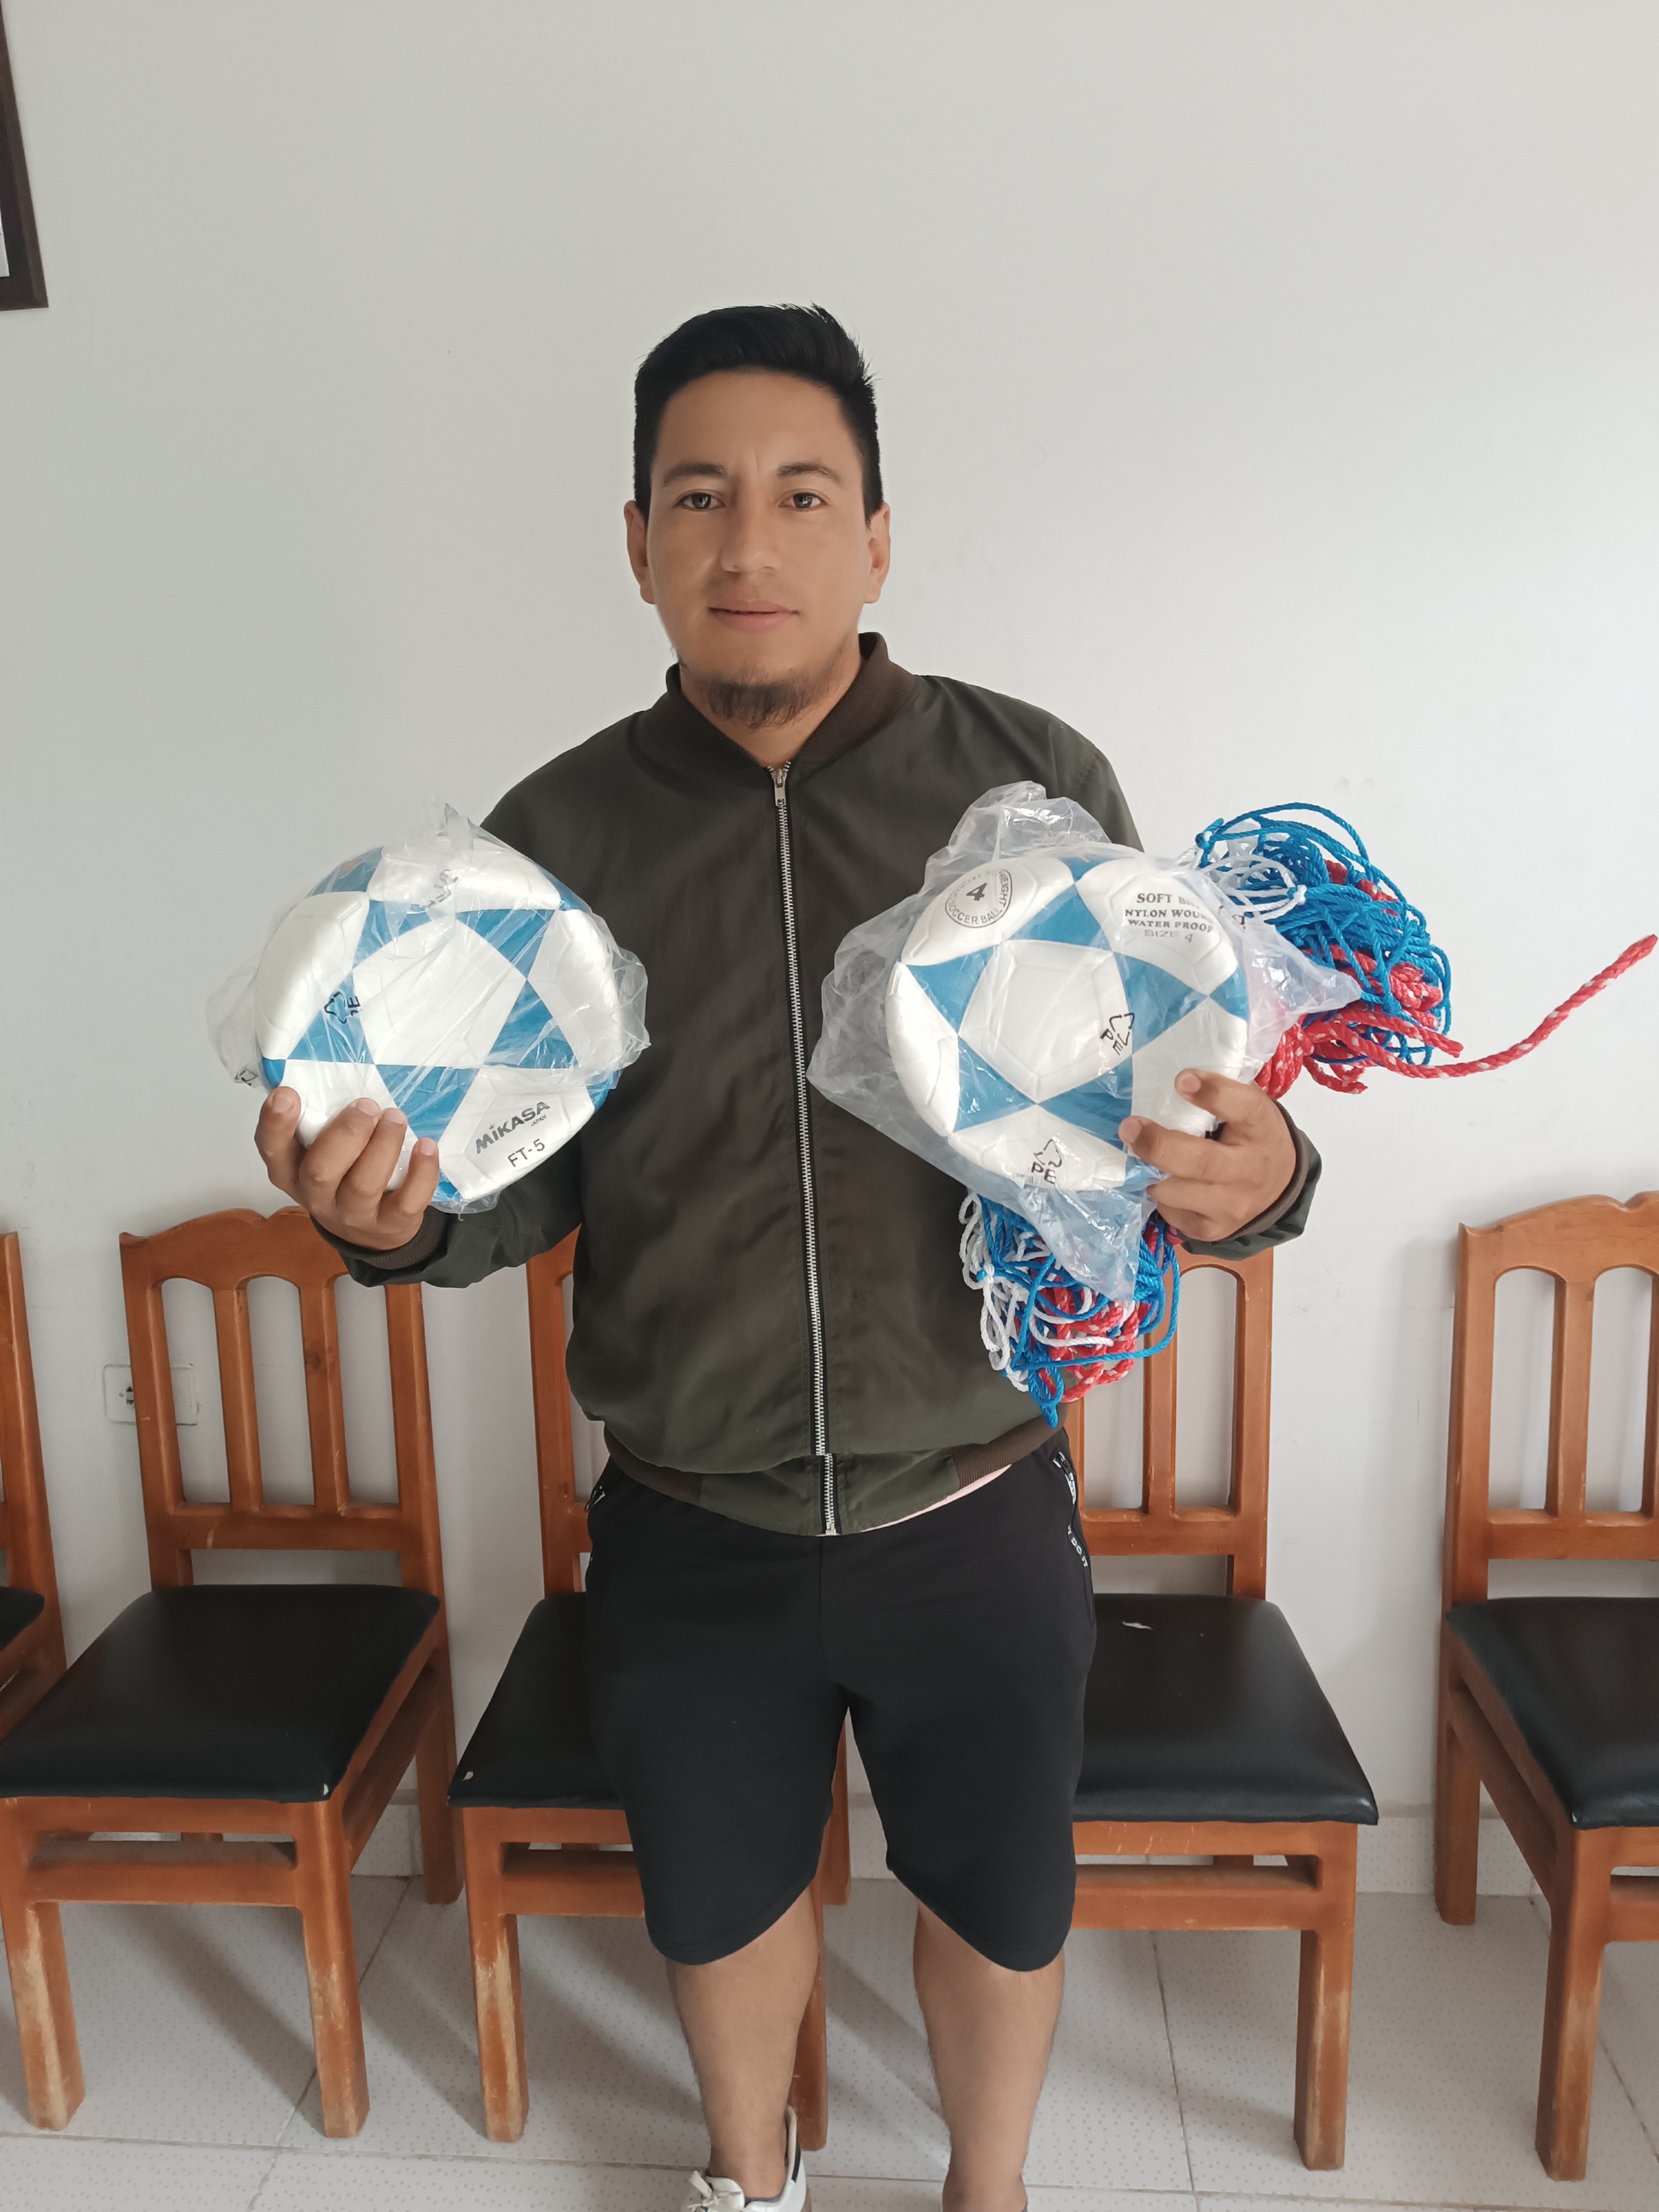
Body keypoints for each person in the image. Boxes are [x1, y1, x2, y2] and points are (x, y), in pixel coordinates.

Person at [254, 305, 1321, 2212]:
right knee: (722, 1897)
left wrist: (1273, 1173)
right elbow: (523, 1186)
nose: (749, 542)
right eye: (701, 497)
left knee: (999, 1898)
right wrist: (397, 1224)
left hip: (974, 1496)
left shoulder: (1031, 780)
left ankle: (987, 2188)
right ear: (639, 542)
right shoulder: (554, 841)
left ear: (877, 536)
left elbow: (1169, 1110)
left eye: (803, 495)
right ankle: (749, 2180)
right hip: (690, 1514)